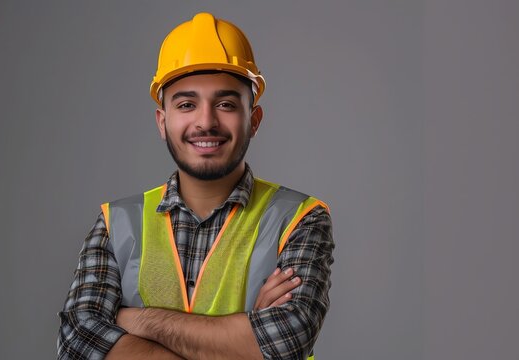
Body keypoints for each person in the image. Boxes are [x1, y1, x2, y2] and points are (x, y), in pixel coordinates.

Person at [57, 12, 334, 360]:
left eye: (226, 104)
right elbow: (77, 342)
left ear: (254, 120)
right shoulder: (116, 224)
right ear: (162, 121)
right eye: (187, 104)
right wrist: (244, 335)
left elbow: (286, 340)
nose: (206, 121)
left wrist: (132, 321)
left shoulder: (299, 219)